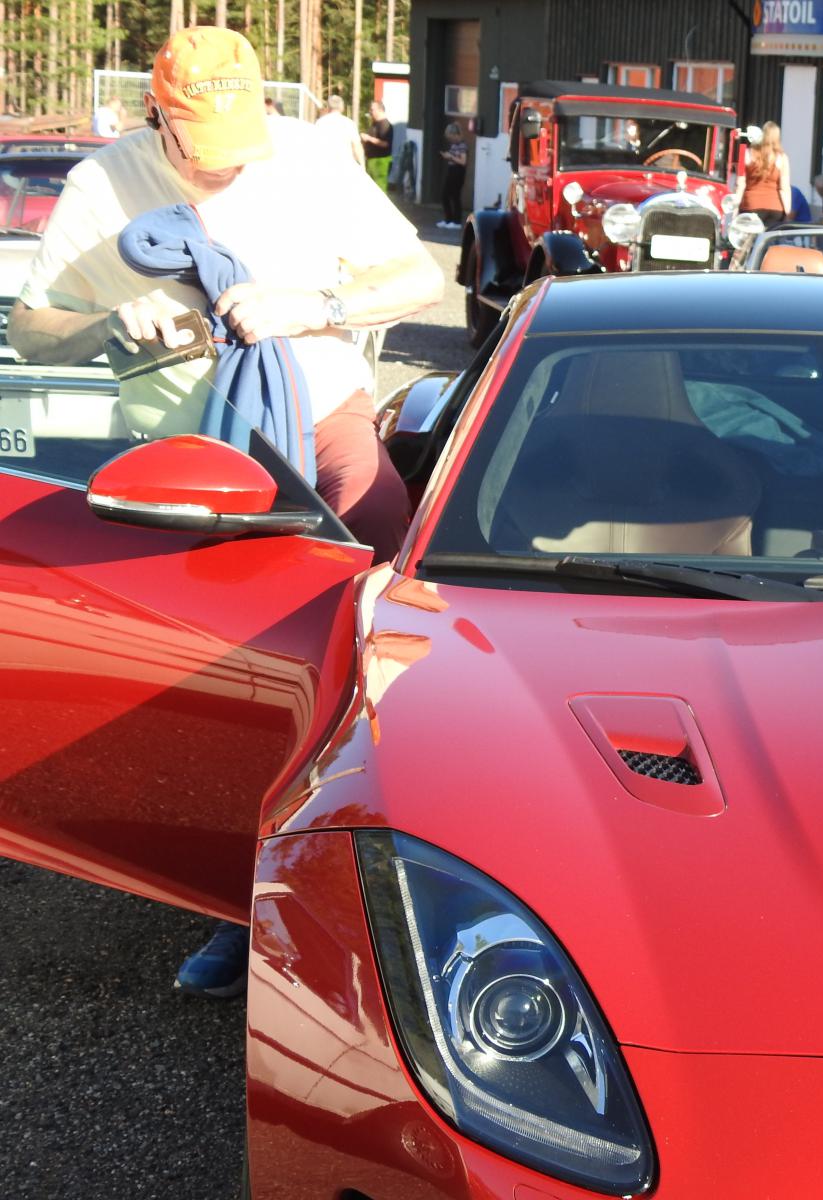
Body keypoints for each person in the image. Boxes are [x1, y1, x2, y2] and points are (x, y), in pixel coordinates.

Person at [8, 26, 443, 999]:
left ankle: (393, 875)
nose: (225, 165)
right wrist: (106, 321)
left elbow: (422, 277)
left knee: (382, 636)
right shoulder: (102, 184)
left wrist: (314, 304)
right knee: (222, 680)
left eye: (240, 139)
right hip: (188, 462)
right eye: (202, 146)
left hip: (322, 422)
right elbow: (33, 328)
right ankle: (228, 899)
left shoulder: (310, 163)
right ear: (156, 117)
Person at [733, 120, 790, 230]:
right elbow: (784, 188)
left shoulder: (744, 153)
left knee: (748, 239)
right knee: (769, 239)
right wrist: (787, 212)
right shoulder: (782, 158)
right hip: (775, 208)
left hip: (751, 206)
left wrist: (735, 208)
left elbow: (740, 184)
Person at [315, 93, 364, 168]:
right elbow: (356, 146)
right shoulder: (349, 123)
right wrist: (362, 165)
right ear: (342, 107)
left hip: (325, 162)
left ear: (328, 107)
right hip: (345, 163)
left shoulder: (320, 122)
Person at [438, 122, 467, 229]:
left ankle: (457, 221)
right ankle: (448, 219)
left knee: (455, 196)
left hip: (458, 171)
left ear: (455, 135)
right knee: (445, 195)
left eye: (451, 137)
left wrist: (450, 157)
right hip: (451, 170)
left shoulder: (462, 145)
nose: (450, 139)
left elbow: (463, 161)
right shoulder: (454, 145)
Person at [361, 99, 393, 191]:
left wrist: (368, 138)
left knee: (379, 188)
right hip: (371, 160)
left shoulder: (385, 125)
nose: (370, 112)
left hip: (380, 161)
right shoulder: (375, 123)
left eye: (372, 109)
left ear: (380, 110)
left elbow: (385, 143)